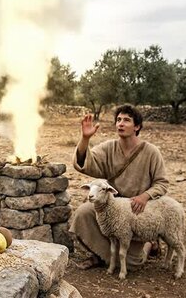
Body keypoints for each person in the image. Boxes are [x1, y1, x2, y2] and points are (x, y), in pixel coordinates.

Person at [70, 104, 169, 270]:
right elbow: (85, 163)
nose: (120, 124)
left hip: (137, 210)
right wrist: (85, 139)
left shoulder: (152, 152)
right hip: (112, 204)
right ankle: (101, 255)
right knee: (83, 213)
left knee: (132, 263)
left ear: (137, 126)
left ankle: (149, 244)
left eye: (127, 120)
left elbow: (162, 183)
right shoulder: (109, 147)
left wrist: (145, 197)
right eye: (118, 120)